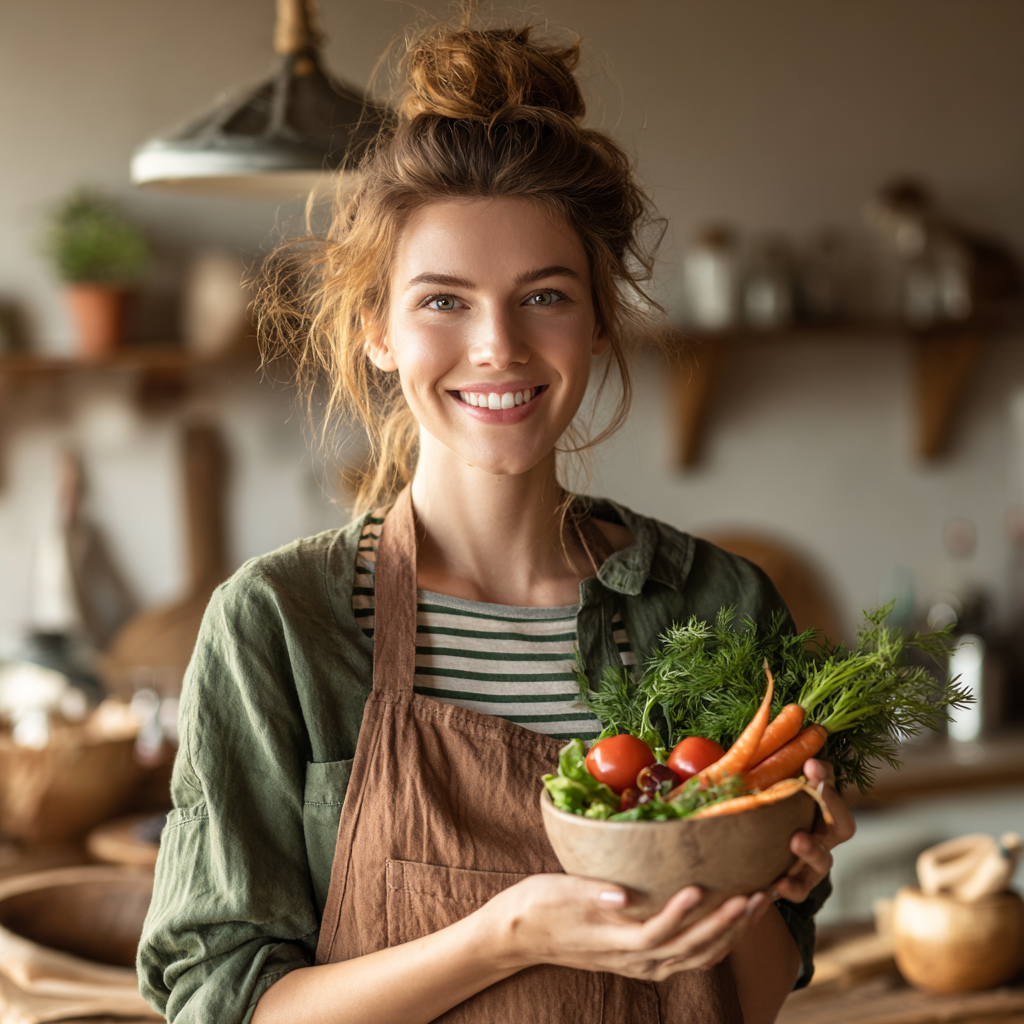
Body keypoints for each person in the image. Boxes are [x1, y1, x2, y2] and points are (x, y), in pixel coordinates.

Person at [138, 17, 854, 1024]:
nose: (497, 347)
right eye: (443, 302)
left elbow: (745, 1002)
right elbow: (223, 1006)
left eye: (544, 295)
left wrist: (751, 871)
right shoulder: (280, 625)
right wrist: (505, 935)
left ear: (598, 318)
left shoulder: (716, 604)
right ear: (375, 332)